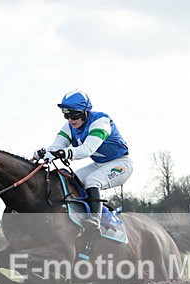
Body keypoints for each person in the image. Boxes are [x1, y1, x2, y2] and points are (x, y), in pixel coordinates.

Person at [33, 90, 132, 231]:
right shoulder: (69, 127)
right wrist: (44, 153)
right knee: (72, 180)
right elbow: (58, 145)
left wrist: (62, 153)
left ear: (86, 112)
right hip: (100, 164)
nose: (70, 119)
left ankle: (96, 219)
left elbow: (87, 149)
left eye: (74, 114)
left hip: (121, 163)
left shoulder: (101, 121)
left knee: (92, 181)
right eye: (66, 115)